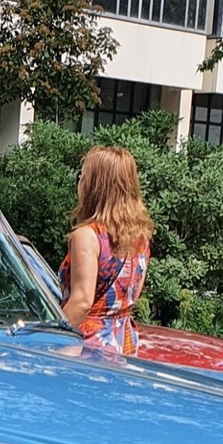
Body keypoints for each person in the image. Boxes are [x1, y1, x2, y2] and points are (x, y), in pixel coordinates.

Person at [59, 146, 153, 354]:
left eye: (83, 177)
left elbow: (82, 302)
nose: (80, 182)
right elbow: (132, 297)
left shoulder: (87, 236)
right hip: (125, 343)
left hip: (88, 346)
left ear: (95, 186)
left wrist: (50, 338)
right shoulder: (141, 238)